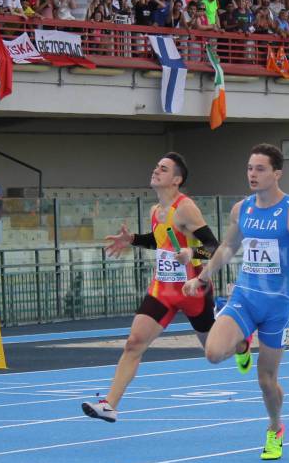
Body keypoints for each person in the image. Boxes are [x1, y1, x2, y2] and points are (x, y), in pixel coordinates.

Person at [182, 143, 289, 460]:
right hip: (244, 297)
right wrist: (202, 277)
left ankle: (275, 427)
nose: (252, 174)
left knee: (266, 381)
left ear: (277, 173)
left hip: (276, 307)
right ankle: (241, 344)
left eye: (260, 168)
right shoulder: (242, 209)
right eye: (250, 168)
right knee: (211, 352)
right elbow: (226, 247)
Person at [82, 153, 240, 422]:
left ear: (176, 180)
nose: (156, 171)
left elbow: (213, 246)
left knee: (213, 353)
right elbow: (160, 241)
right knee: (134, 343)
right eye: (156, 166)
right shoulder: (156, 211)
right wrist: (132, 239)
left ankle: (241, 341)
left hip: (193, 290)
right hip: (162, 290)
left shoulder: (185, 208)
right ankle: (109, 404)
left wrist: (191, 253)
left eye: (163, 169)